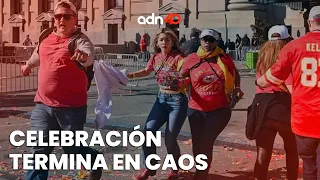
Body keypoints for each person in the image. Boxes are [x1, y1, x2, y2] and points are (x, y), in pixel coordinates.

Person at [20, 1, 101, 179]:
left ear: (75, 19)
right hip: (43, 105)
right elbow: (37, 54)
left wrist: (83, 56)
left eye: (66, 16)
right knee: (39, 150)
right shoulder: (45, 36)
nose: (61, 20)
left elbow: (88, 56)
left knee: (72, 150)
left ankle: (94, 159)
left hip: (71, 108)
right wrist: (27, 66)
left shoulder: (80, 40)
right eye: (58, 17)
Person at [256, 6, 320, 179]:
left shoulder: (294, 48)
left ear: (309, 23)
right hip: (294, 113)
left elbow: (268, 79)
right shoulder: (290, 46)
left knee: (308, 166)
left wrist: (259, 82)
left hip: (304, 119)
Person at [180, 29, 243, 180]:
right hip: (196, 109)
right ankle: (200, 171)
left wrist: (238, 88)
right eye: (204, 39)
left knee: (206, 140)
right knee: (197, 142)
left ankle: (202, 174)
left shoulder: (223, 58)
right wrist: (179, 82)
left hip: (220, 110)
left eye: (211, 40)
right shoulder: (191, 59)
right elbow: (182, 76)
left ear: (216, 42)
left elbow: (235, 74)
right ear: (200, 41)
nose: (207, 43)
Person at [127, 28, 188, 180]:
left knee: (170, 137)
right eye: (161, 40)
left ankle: (175, 168)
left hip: (177, 102)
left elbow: (186, 74)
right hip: (161, 100)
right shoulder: (155, 57)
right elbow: (147, 71)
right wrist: (129, 75)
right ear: (157, 42)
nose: (164, 42)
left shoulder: (179, 58)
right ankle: (149, 167)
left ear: (173, 42)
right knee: (147, 132)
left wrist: (181, 81)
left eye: (167, 40)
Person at [251, 25, 298, 180]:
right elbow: (291, 85)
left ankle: (260, 177)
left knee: (263, 151)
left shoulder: (262, 55)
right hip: (285, 106)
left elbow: (259, 82)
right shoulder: (288, 55)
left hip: (263, 106)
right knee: (292, 150)